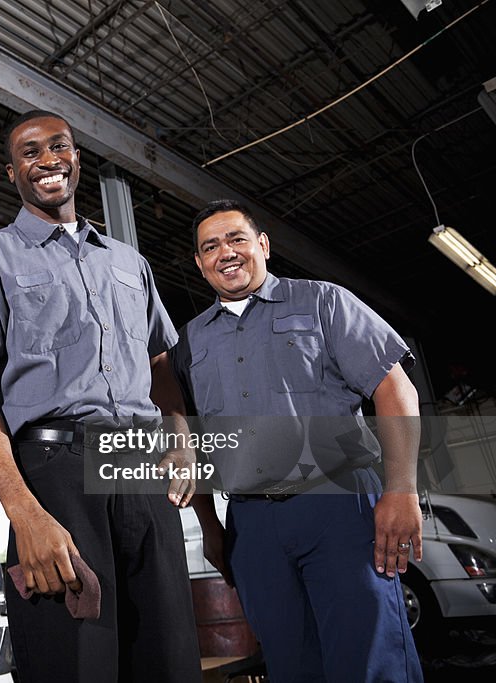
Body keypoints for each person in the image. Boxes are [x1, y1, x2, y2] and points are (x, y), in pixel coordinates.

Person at [0, 110, 203, 683]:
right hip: (55, 475)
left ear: (77, 158)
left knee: (170, 660)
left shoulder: (129, 263)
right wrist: (23, 512)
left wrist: (181, 438)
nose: (47, 160)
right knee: (75, 662)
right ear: (12, 173)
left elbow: (159, 361)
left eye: (58, 146)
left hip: (141, 471)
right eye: (30, 153)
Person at [173, 199, 423, 682]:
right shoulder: (191, 343)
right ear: (200, 264)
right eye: (210, 246)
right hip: (251, 522)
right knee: (291, 664)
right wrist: (210, 525)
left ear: (262, 245)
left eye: (236, 239)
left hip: (339, 506)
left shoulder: (323, 302)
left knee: (370, 657)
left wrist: (401, 489)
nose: (225, 252)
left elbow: (395, 388)